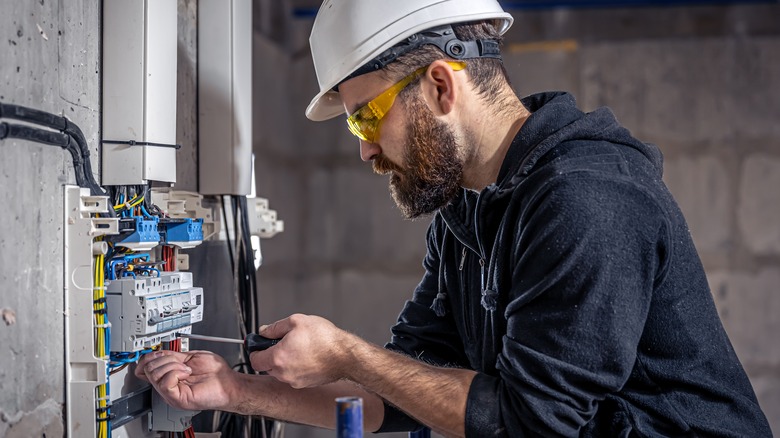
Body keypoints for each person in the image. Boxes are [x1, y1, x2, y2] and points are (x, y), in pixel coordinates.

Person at [137, 0, 772, 436]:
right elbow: (407, 391)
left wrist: (349, 354)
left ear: (441, 86)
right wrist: (237, 391)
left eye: (366, 117)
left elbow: (531, 424)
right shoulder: (469, 210)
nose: (363, 148)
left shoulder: (587, 199)